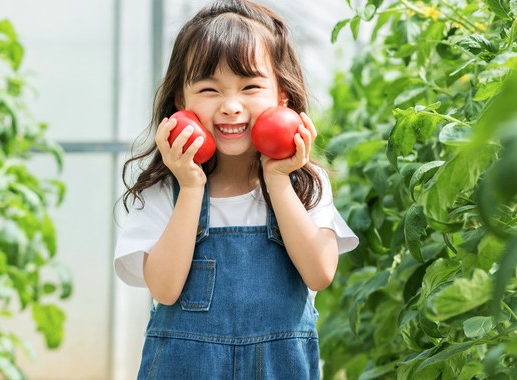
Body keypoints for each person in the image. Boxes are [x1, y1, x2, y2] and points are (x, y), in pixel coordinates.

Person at [114, 0, 359, 377]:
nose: (231, 106)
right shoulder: (167, 188)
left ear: (282, 97)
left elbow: (319, 272)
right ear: (182, 101)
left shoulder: (304, 184)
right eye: (210, 89)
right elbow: (164, 289)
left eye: (250, 87)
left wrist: (277, 180)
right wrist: (192, 187)